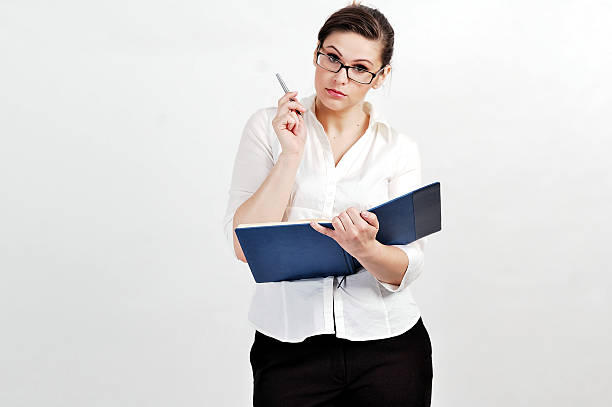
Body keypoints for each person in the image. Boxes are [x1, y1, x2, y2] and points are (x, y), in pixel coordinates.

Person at [222, 2, 433, 406]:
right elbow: (242, 245)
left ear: (380, 76)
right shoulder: (269, 128)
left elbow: (408, 267)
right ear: (316, 52)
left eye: (360, 68)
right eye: (331, 58)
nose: (340, 77)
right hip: (288, 348)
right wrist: (290, 156)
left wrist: (365, 249)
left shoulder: (398, 148)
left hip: (389, 347)